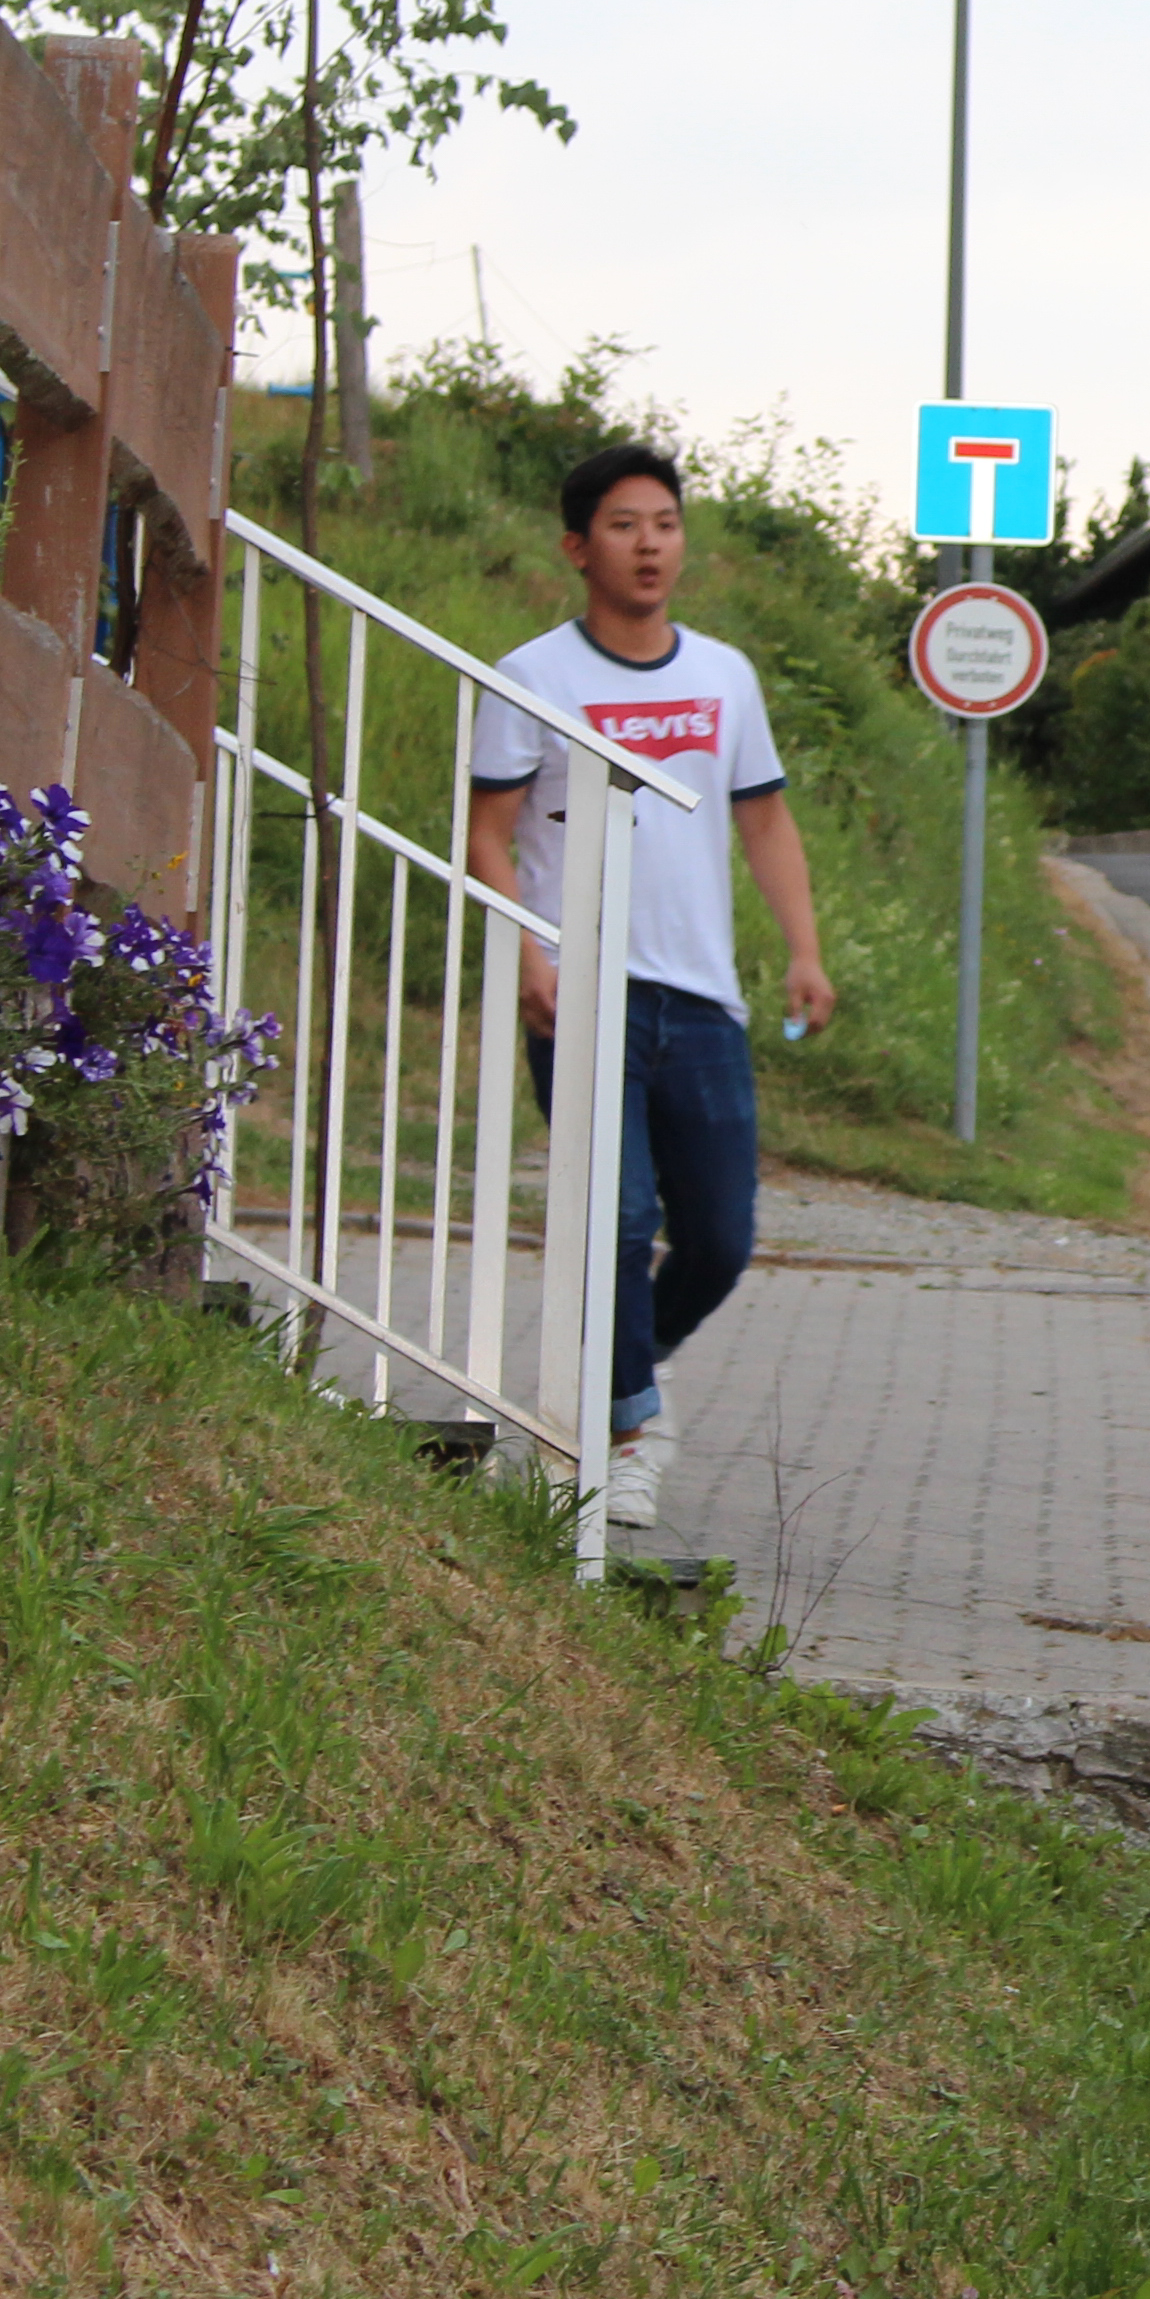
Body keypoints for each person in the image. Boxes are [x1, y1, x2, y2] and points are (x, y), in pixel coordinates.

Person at [464, 443, 838, 1536]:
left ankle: (627, 1369)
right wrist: (531, 951)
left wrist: (804, 950)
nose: (649, 544)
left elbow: (762, 818)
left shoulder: (723, 676)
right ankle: (627, 1429)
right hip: (581, 988)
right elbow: (489, 833)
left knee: (719, 1238)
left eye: (665, 523)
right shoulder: (533, 676)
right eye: (625, 526)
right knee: (619, 1218)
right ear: (579, 547)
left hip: (702, 998)